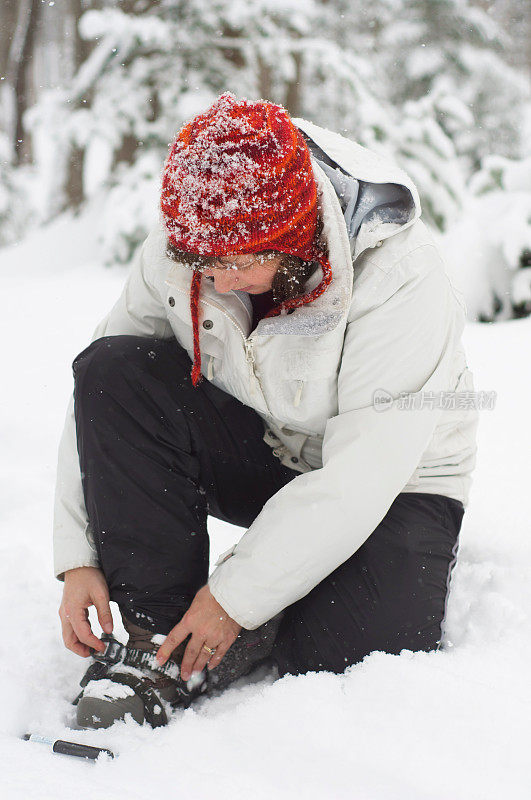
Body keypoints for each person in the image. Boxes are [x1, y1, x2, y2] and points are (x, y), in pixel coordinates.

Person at [53, 92, 478, 729]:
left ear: (292, 238)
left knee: (340, 659)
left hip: (399, 483)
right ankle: (157, 642)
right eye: (204, 262)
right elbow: (103, 393)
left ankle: (268, 599)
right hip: (273, 448)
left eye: (237, 263)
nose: (217, 281)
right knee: (117, 369)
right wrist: (79, 554)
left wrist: (236, 599)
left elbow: (360, 478)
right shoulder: (199, 231)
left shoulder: (399, 274)